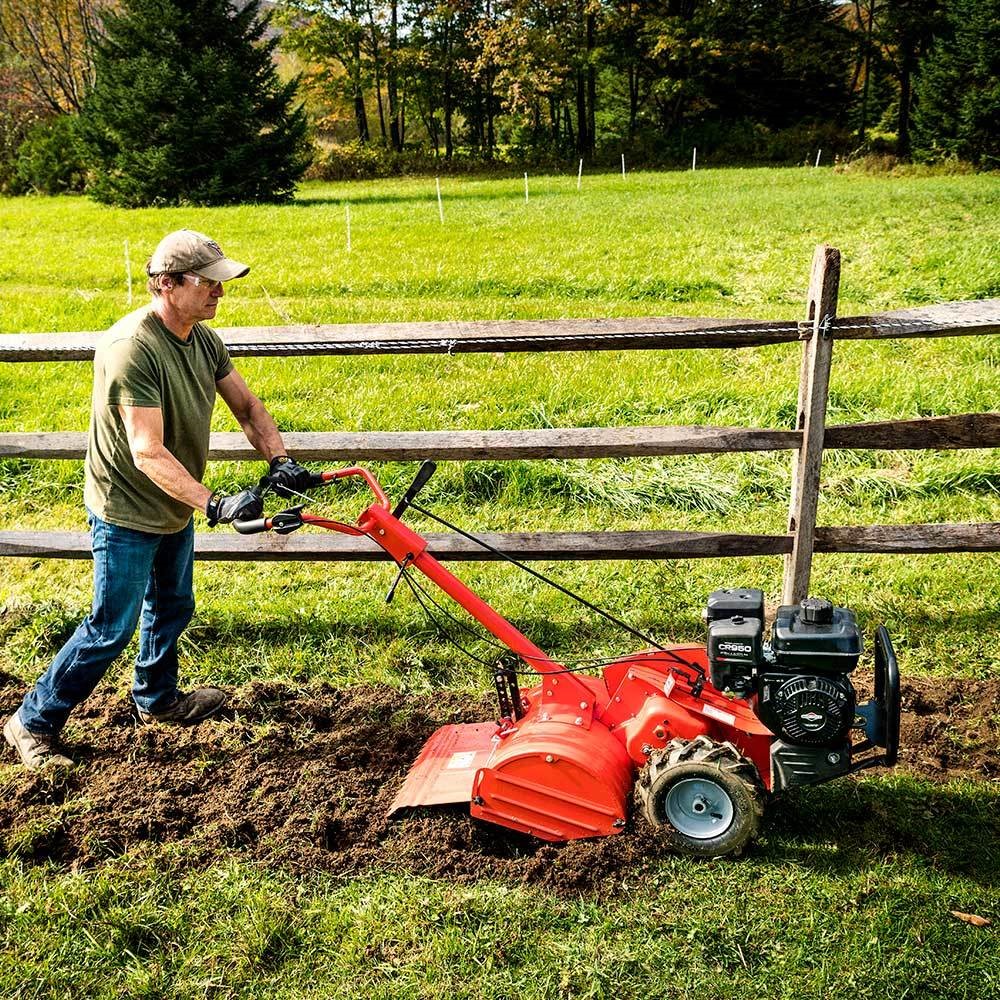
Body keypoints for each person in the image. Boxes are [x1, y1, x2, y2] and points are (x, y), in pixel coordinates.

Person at [4, 229, 312, 770]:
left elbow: (247, 407)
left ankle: (156, 699)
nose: (220, 292)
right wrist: (213, 503)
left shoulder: (202, 337)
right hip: (127, 507)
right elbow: (147, 452)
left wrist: (279, 459)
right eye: (208, 283)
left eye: (222, 282)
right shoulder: (133, 348)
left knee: (173, 604)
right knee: (111, 626)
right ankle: (31, 721)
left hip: (175, 499)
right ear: (167, 285)